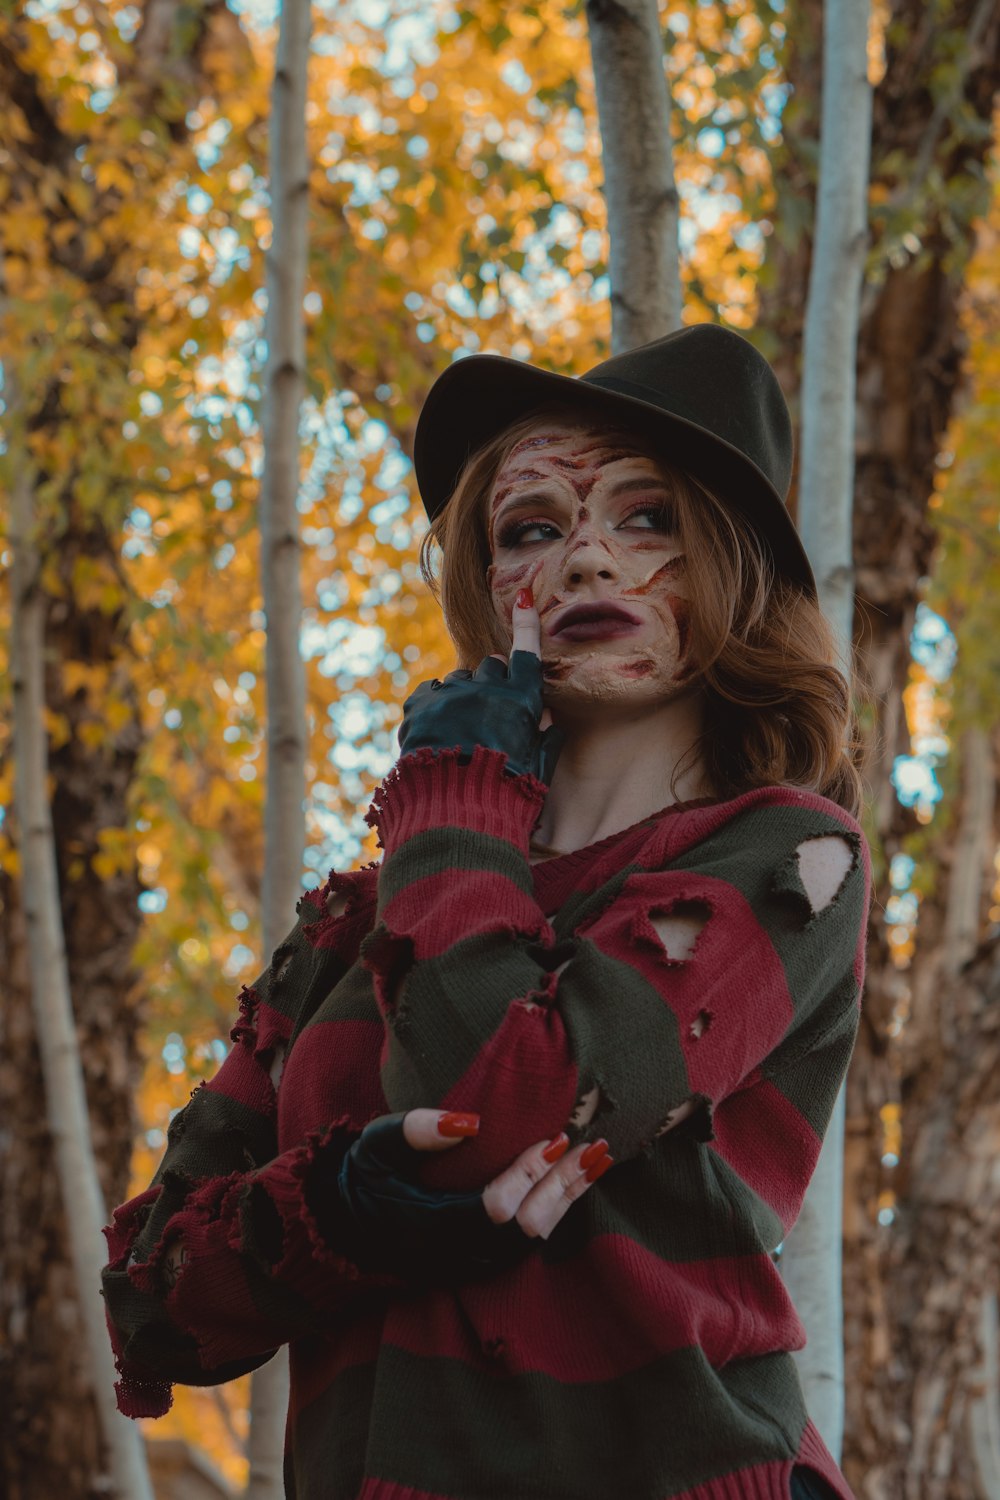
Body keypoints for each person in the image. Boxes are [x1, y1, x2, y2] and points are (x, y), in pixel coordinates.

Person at [101, 323, 870, 1500]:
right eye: (532, 531)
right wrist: (340, 1208)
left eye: (645, 517)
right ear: (490, 584)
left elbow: (503, 1103)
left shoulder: (786, 855)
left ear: (734, 569)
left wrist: (454, 803)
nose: (583, 562)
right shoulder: (359, 923)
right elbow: (151, 1303)